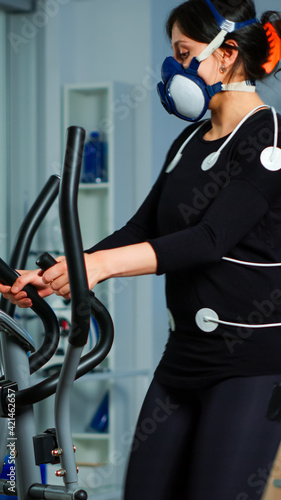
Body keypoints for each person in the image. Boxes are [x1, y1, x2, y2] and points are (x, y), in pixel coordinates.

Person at [1, 0, 281, 498]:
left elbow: (209, 240)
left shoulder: (267, 137)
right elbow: (141, 226)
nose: (175, 67)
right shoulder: (188, 142)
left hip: (251, 365)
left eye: (184, 51)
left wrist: (100, 268)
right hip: (183, 360)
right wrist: (65, 269)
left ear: (227, 53)